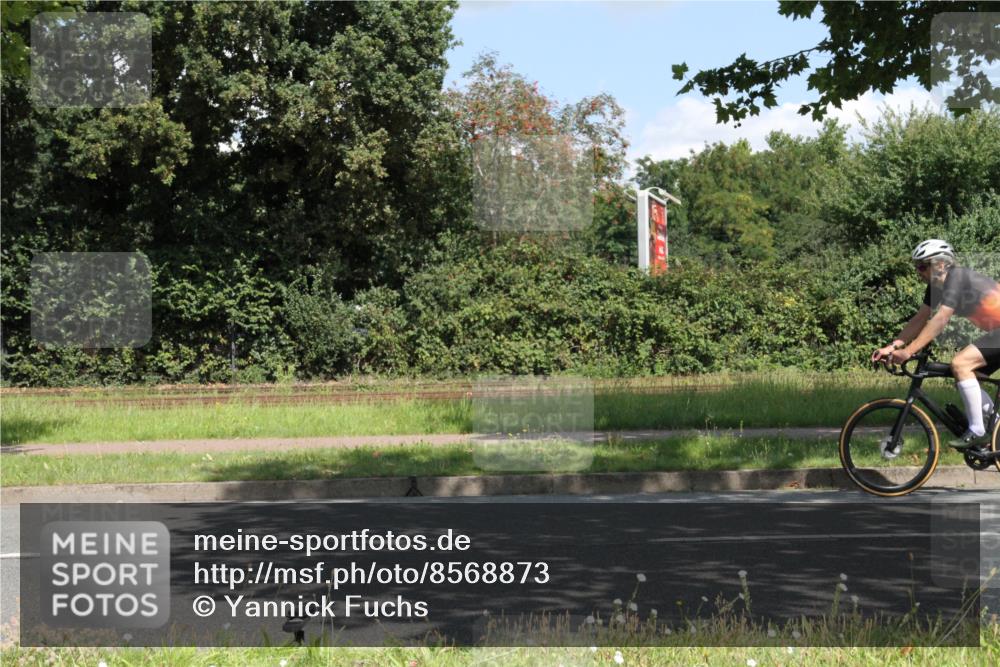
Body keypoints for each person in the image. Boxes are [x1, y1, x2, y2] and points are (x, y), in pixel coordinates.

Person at [871, 239, 1000, 448]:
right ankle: (996, 429)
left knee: (960, 364)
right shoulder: (936, 286)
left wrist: (909, 351)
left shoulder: (957, 277)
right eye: (916, 267)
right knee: (964, 374)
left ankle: (977, 431)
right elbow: (920, 318)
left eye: (922, 266)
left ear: (940, 264)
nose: (918, 271)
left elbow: (940, 319)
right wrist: (894, 346)